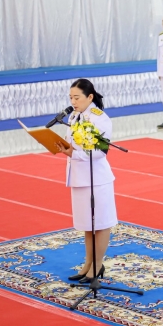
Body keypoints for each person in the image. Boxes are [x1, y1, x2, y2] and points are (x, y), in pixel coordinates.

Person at [59, 79, 117, 283]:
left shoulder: (99, 118)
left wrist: (73, 153)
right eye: (71, 98)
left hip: (97, 179)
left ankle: (97, 265)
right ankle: (88, 264)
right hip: (79, 177)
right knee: (88, 224)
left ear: (90, 97)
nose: (73, 102)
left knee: (100, 223)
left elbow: (101, 151)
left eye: (77, 97)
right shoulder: (74, 116)